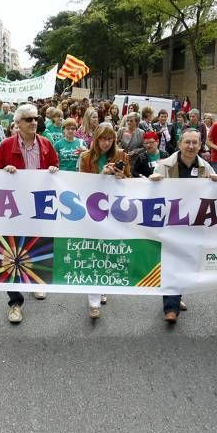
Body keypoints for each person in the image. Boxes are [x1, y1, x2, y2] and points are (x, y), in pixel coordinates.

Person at [0, 103, 59, 324]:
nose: (34, 122)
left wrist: (53, 171)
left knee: (39, 243)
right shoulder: (5, 146)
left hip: (39, 205)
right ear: (18, 123)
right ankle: (15, 303)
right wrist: (4, 172)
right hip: (14, 208)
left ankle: (37, 281)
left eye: (36, 119)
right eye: (29, 119)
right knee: (12, 250)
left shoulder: (47, 144)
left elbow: (55, 168)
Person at [150, 128, 217, 324]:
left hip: (193, 225)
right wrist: (154, 181)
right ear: (180, 144)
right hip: (170, 223)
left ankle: (177, 294)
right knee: (172, 262)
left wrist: (216, 182)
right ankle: (171, 307)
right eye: (187, 142)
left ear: (200, 145)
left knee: (187, 262)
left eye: (195, 143)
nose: (191, 146)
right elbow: (150, 193)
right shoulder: (164, 166)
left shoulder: (205, 167)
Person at [78, 125, 130, 318]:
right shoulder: (86, 157)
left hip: (114, 212)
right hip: (91, 212)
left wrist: (120, 176)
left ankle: (102, 284)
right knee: (93, 252)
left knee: (108, 250)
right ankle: (93, 302)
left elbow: (130, 182)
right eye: (102, 139)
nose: (106, 143)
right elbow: (80, 185)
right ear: (96, 139)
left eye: (110, 139)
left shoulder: (122, 156)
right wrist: (102, 176)